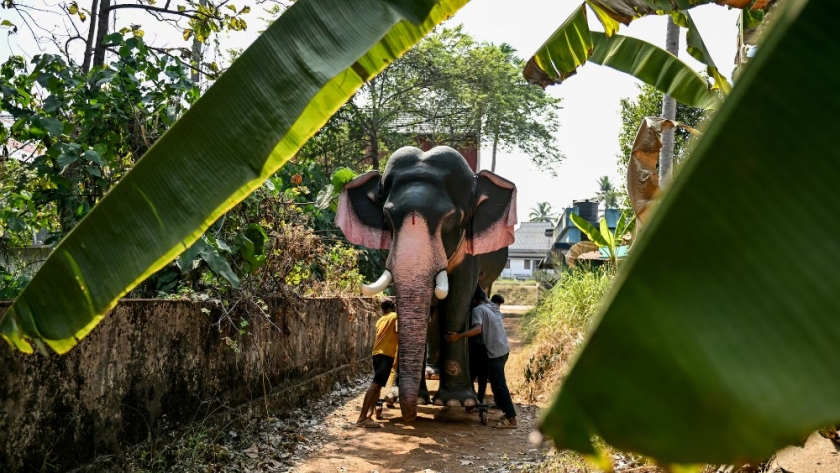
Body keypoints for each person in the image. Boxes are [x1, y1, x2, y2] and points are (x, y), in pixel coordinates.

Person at [445, 287, 517, 429]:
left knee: (500, 385)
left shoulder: (478, 310)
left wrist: (457, 336)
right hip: (504, 350)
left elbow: (478, 329)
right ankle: (506, 412)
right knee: (496, 384)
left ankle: (511, 418)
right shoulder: (493, 306)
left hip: (495, 353)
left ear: (474, 300)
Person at [356, 298, 398, 428]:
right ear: (393, 307)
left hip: (376, 354)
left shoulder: (380, 320)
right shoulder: (395, 316)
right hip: (386, 354)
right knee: (375, 385)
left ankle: (369, 415)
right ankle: (362, 418)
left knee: (379, 385)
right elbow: (398, 330)